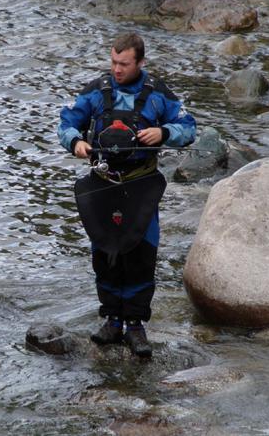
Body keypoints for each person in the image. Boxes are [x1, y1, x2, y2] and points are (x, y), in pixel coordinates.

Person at [57, 32, 196, 358]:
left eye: (124, 64)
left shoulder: (159, 95)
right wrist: (75, 141)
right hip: (103, 184)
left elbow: (188, 127)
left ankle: (135, 325)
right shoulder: (96, 91)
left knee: (141, 252)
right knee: (104, 252)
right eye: (114, 62)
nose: (117, 69)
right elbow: (67, 121)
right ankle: (111, 319)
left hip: (141, 186)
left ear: (140, 62)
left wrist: (164, 132)